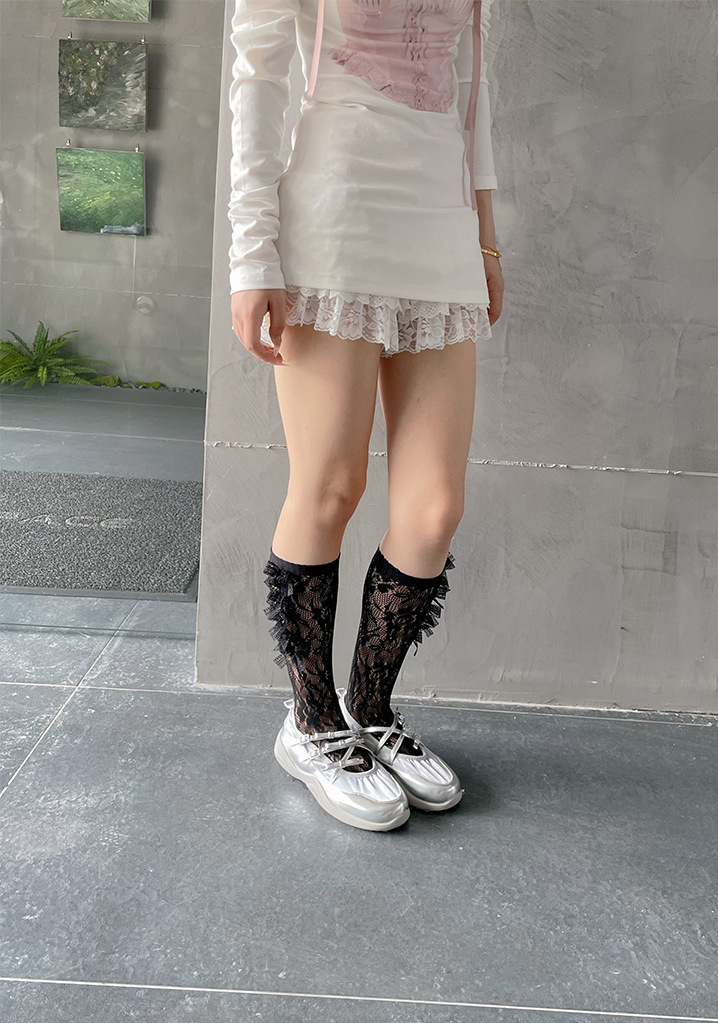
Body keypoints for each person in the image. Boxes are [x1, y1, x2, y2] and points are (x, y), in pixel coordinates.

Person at [228, 0, 504, 832]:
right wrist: (252, 254)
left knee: (434, 508)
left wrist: (487, 237)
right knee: (331, 485)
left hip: (440, 216)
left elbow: (471, 85)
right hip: (336, 202)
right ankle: (312, 722)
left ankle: (370, 709)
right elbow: (257, 72)